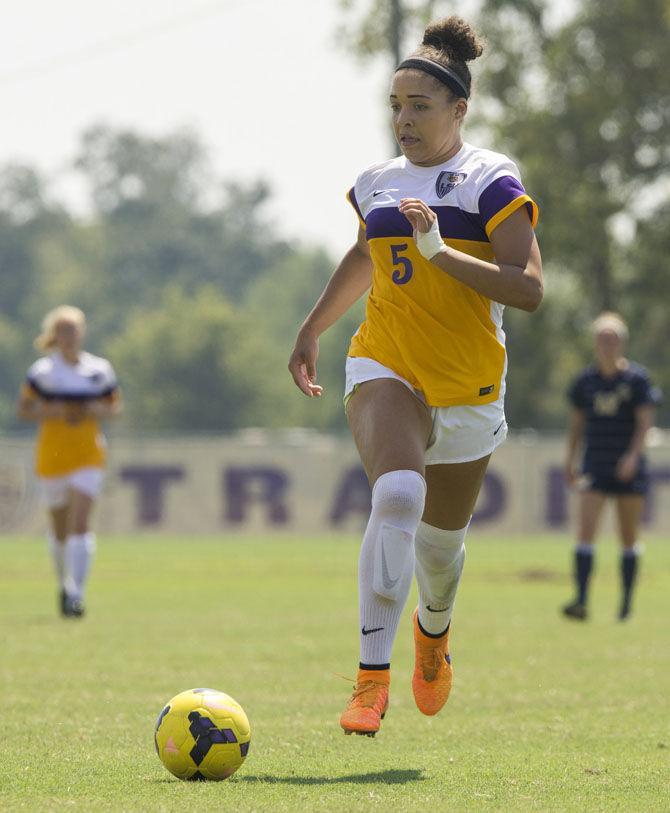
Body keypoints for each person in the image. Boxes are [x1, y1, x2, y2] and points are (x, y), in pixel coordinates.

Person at [288, 16, 543, 736]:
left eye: (420, 106)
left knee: (439, 552)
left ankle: (434, 633)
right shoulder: (376, 183)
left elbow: (526, 288)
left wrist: (438, 250)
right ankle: (371, 679)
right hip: (386, 362)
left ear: (458, 110)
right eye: (396, 105)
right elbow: (366, 256)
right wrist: (312, 329)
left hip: (468, 385)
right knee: (397, 491)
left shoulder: (491, 180)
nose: (404, 119)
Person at [17, 305, 121, 618]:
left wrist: (91, 411)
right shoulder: (43, 372)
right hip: (53, 455)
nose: (68, 337)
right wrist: (54, 412)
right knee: (60, 528)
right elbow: (24, 409)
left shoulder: (98, 369)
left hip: (88, 453)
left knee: (80, 522)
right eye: (62, 331)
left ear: (82, 332)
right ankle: (64, 584)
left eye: (73, 330)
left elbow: (114, 408)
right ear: (54, 335)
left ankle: (77, 593)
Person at [562, 312, 660, 622]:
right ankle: (580, 600)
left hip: (628, 465)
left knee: (628, 535)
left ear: (622, 343)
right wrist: (570, 458)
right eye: (602, 339)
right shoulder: (585, 382)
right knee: (586, 529)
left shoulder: (637, 380)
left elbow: (645, 424)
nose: (607, 345)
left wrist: (632, 456)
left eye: (612, 339)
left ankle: (626, 605)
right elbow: (577, 425)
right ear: (595, 343)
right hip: (596, 462)